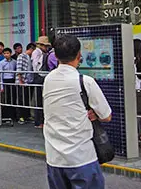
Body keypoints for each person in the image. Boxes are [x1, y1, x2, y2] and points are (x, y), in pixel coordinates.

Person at [43, 34, 112, 189]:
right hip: (82, 157)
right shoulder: (85, 81)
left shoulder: (48, 80)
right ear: (79, 55)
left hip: (54, 159)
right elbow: (107, 116)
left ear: (55, 55)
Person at [32, 36, 52, 128]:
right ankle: (38, 121)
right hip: (39, 76)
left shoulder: (44, 53)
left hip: (42, 76)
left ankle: (42, 120)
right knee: (38, 99)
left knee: (42, 99)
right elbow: (36, 66)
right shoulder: (37, 53)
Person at [15, 42, 35, 124]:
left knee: (27, 99)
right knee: (21, 99)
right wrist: (20, 80)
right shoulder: (21, 56)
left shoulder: (29, 57)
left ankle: (27, 115)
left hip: (28, 82)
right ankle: (21, 116)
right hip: (22, 81)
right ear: (31, 49)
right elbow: (19, 69)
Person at [0, 48, 17, 121]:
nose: (6, 55)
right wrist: (1, 86)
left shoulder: (14, 62)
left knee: (13, 98)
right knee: (6, 99)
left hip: (12, 81)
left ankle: (13, 116)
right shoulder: (1, 63)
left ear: (11, 53)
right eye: (5, 53)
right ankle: (6, 116)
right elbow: (0, 75)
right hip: (5, 81)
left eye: (8, 53)